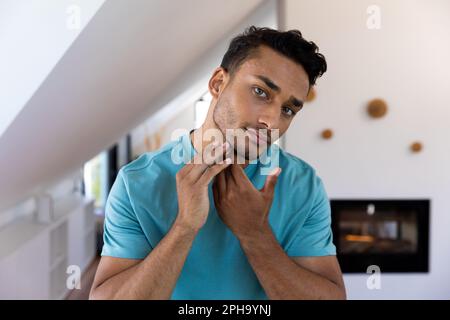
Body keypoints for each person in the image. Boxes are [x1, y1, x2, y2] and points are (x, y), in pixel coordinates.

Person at [90, 26, 346, 300]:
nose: (271, 121)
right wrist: (185, 226)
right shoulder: (137, 182)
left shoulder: (303, 185)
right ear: (217, 84)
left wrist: (255, 233)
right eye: (261, 92)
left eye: (287, 110)